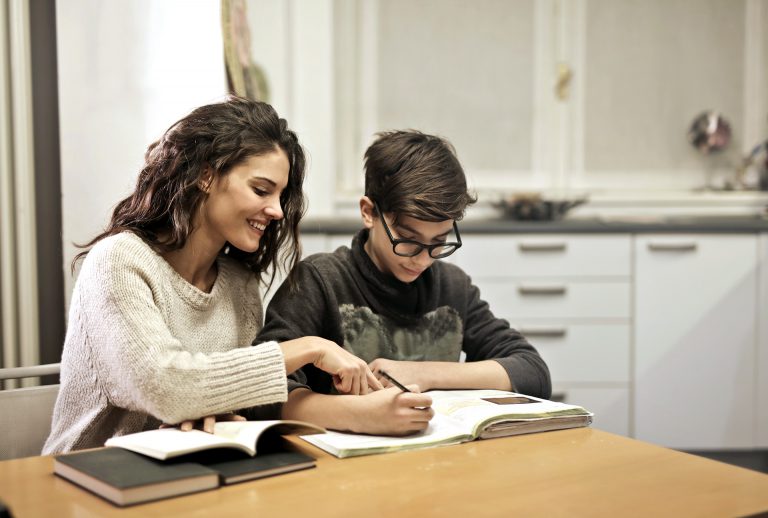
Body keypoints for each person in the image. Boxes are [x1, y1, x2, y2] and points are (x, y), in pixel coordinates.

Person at [44, 97, 379, 454]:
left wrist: (216, 414)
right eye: (262, 190)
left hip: (190, 476)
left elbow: (222, 402)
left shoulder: (239, 283)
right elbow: (166, 387)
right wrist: (310, 347)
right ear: (206, 174)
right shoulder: (118, 262)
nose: (277, 211)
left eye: (281, 196)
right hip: (87, 480)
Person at [256, 130, 552, 436]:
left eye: (438, 242)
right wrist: (358, 414)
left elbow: (532, 371)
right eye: (408, 241)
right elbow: (260, 391)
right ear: (368, 212)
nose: (423, 260)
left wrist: (423, 373)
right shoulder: (320, 281)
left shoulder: (452, 286)